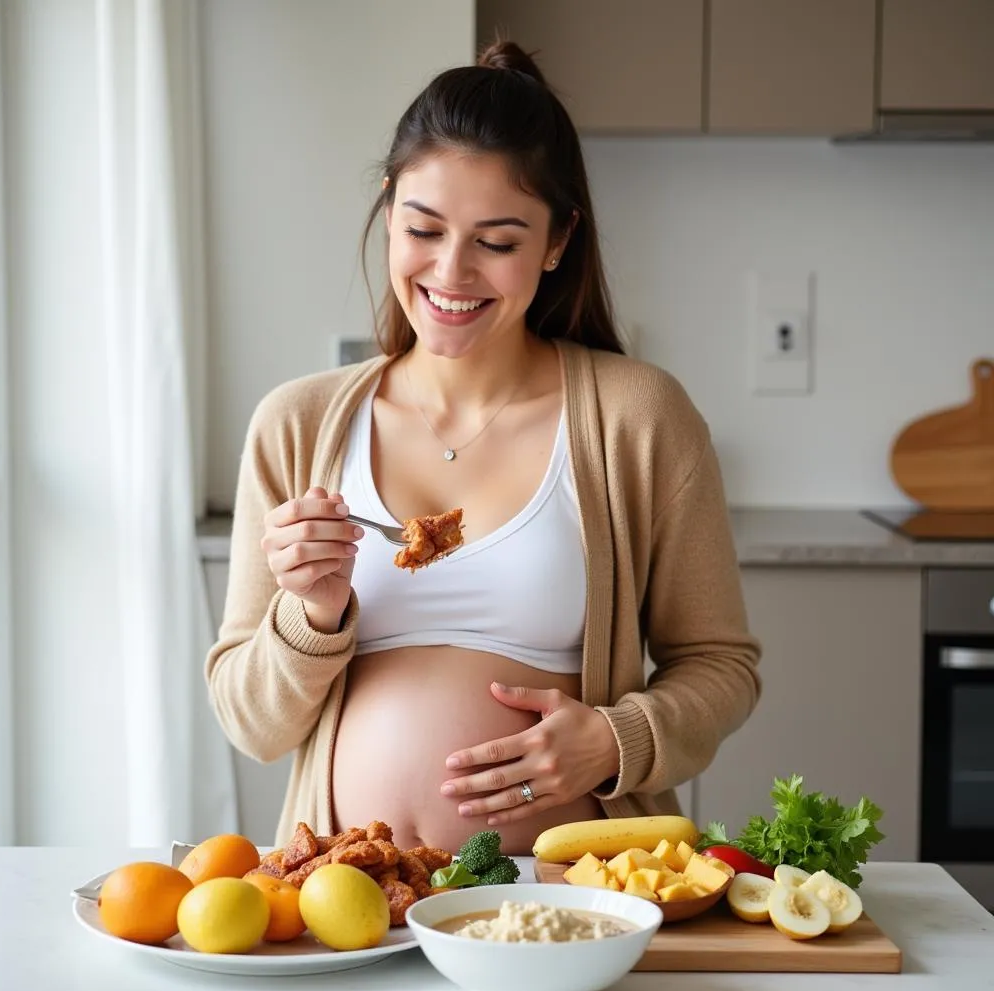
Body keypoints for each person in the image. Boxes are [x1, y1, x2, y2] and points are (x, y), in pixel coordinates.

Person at [205, 41, 762, 856]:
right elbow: (252, 725)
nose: (452, 272)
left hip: (565, 912)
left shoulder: (639, 417)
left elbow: (721, 665)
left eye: (496, 242)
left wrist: (616, 740)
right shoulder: (296, 424)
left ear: (558, 240)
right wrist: (311, 612)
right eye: (423, 229)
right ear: (389, 211)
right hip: (345, 910)